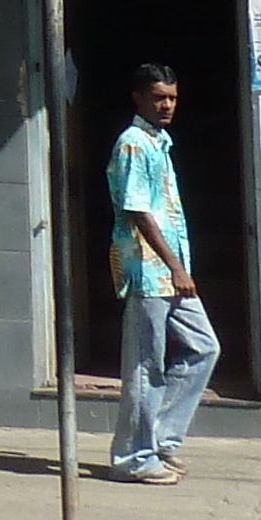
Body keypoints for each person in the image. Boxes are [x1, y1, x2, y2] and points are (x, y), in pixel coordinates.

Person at [105, 62, 217, 484]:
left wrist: (179, 267)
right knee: (145, 366)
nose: (167, 104)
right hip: (149, 272)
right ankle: (134, 457)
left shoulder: (159, 143)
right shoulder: (133, 144)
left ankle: (162, 439)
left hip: (173, 274)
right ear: (139, 99)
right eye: (158, 97)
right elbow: (138, 211)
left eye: (171, 97)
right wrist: (174, 265)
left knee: (203, 347)